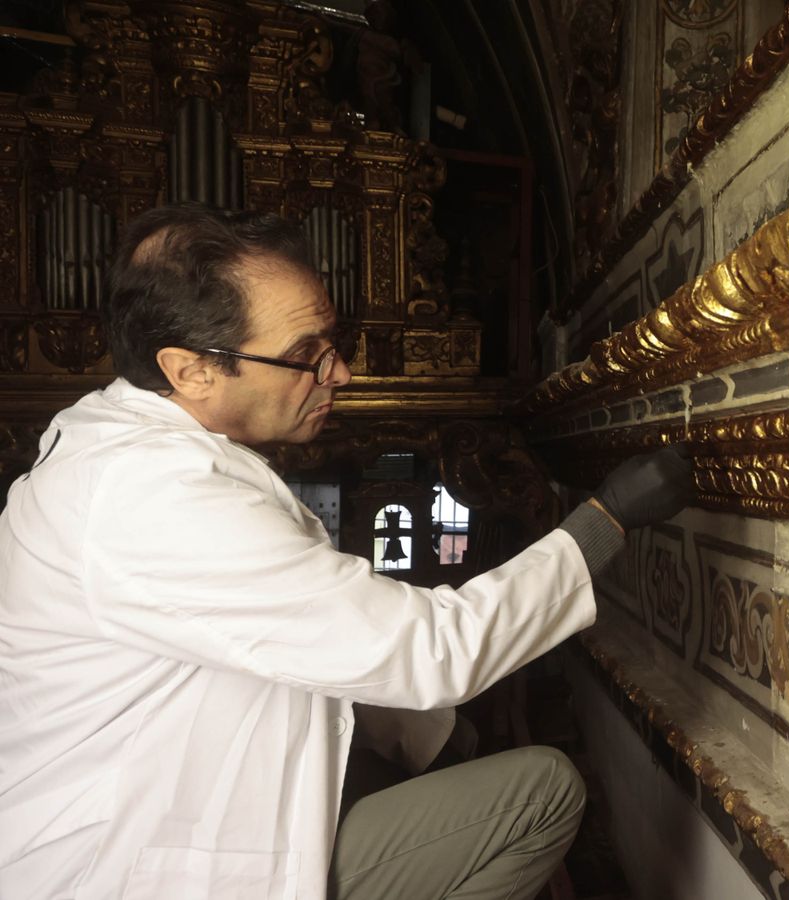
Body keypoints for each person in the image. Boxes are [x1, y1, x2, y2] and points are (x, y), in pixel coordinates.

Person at [0, 203, 694, 899]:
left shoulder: (124, 446)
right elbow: (430, 649)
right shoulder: (149, 495)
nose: (343, 373)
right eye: (307, 356)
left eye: (333, 343)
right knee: (543, 794)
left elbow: (305, 641)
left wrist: (435, 739)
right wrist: (608, 518)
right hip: (120, 870)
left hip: (148, 822)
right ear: (190, 370)